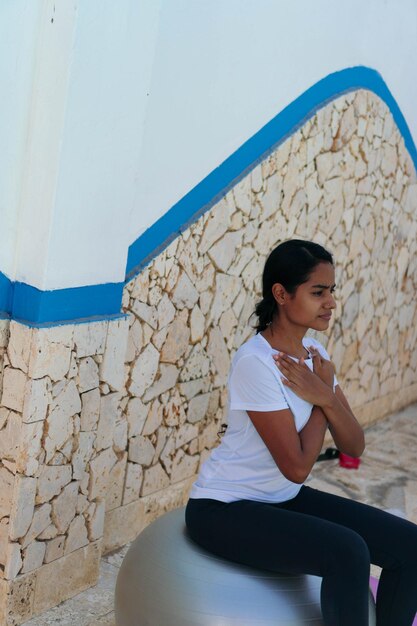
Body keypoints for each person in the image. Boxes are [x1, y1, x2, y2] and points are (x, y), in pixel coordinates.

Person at [186, 239, 417, 626]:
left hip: (282, 498)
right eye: (317, 292)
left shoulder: (315, 356)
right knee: (347, 552)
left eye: (332, 291)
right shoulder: (255, 363)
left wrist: (323, 396)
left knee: (409, 545)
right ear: (281, 294)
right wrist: (321, 400)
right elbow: (295, 466)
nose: (330, 302)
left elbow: (354, 445)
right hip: (225, 508)